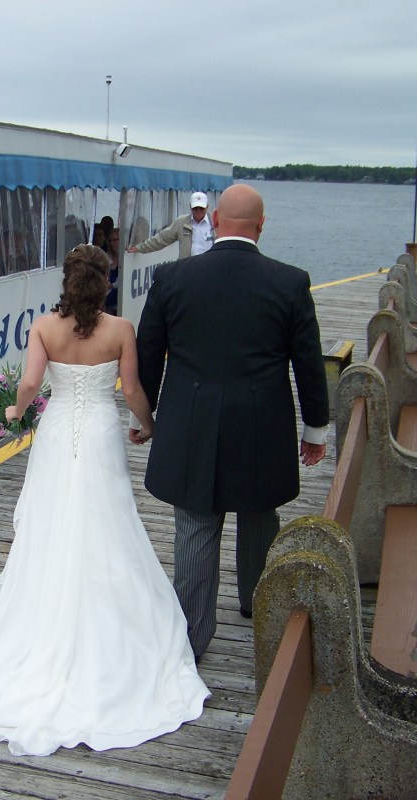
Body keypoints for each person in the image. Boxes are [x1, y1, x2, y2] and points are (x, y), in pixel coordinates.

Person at [0, 244, 209, 757]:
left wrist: (13, 415)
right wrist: (146, 425)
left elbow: (30, 383)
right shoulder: (121, 330)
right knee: (107, 520)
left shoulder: (43, 327)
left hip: (59, 428)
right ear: (106, 282)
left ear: (66, 283)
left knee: (54, 517)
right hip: (102, 430)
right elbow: (130, 390)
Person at [131, 184, 330, 660]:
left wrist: (148, 418)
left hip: (190, 425)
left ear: (214, 220)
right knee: (260, 515)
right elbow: (307, 362)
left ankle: (193, 640)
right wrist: (315, 430)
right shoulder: (290, 282)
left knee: (196, 528)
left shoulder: (172, 278)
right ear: (262, 226)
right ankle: (257, 606)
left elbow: (147, 354)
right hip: (262, 425)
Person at [127, 192, 214, 259]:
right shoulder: (181, 222)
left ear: (207, 207)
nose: (198, 210)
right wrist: (140, 248)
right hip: (187, 270)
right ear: (190, 207)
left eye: (201, 208)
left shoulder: (215, 223)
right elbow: (162, 239)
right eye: (195, 208)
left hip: (209, 269)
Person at [104, 227, 121, 314]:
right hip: (107, 295)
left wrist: (112, 285)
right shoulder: (106, 257)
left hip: (118, 296)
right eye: (110, 241)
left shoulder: (124, 257)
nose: (112, 243)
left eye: (115, 240)